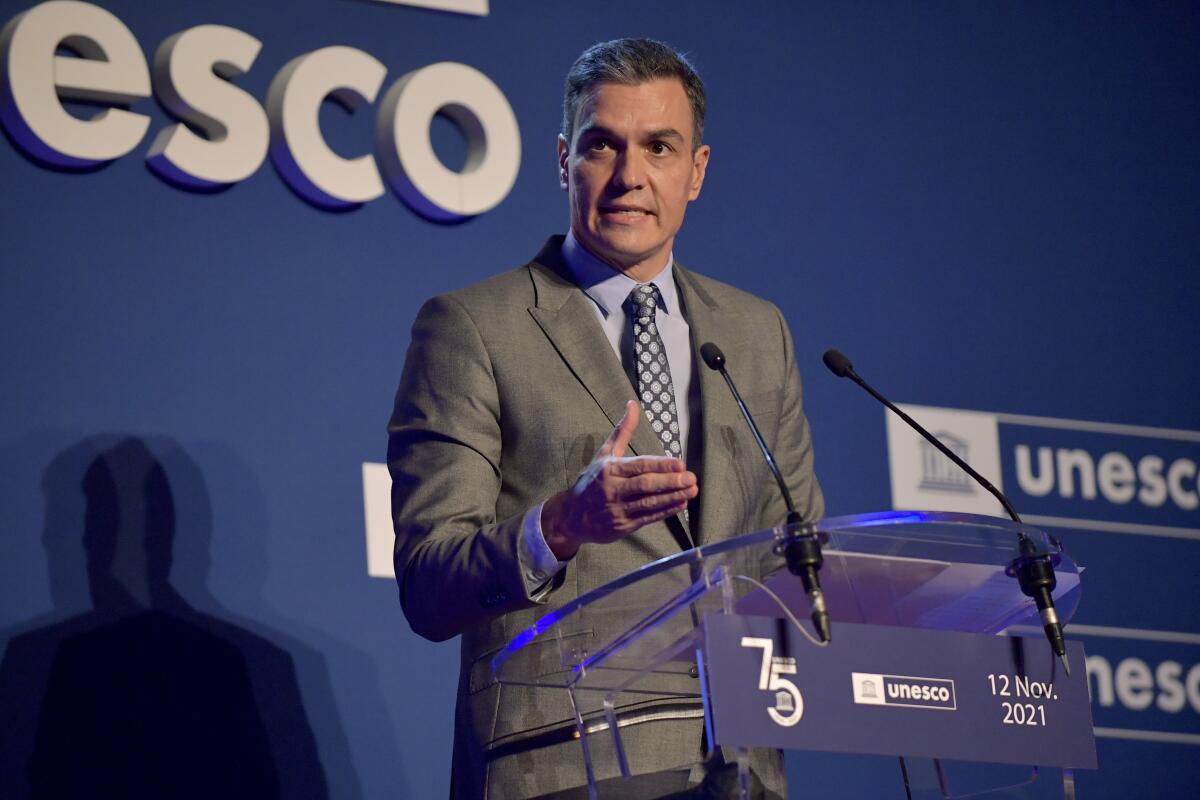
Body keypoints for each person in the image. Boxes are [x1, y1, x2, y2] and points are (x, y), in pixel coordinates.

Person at [388, 38, 823, 800]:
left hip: (740, 773)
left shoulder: (758, 334)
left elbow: (798, 560)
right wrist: (559, 526)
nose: (630, 177)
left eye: (660, 147)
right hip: (559, 767)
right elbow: (429, 583)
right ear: (564, 161)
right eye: (602, 146)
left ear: (697, 172)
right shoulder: (473, 327)